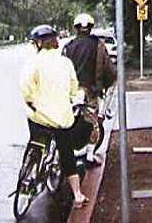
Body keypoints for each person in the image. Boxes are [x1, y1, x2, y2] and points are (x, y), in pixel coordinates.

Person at [20, 24, 91, 209]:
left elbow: (26, 88)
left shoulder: (33, 62)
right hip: (61, 119)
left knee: (36, 141)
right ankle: (77, 195)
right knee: (67, 155)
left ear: (38, 43)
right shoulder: (65, 62)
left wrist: (32, 103)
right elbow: (74, 89)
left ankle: (31, 167)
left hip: (39, 118)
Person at [62, 13, 116, 167]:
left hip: (69, 91)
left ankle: (66, 154)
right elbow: (109, 71)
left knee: (66, 122)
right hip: (89, 92)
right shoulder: (98, 45)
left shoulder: (68, 47)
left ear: (75, 28)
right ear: (91, 28)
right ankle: (90, 156)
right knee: (94, 124)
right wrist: (104, 86)